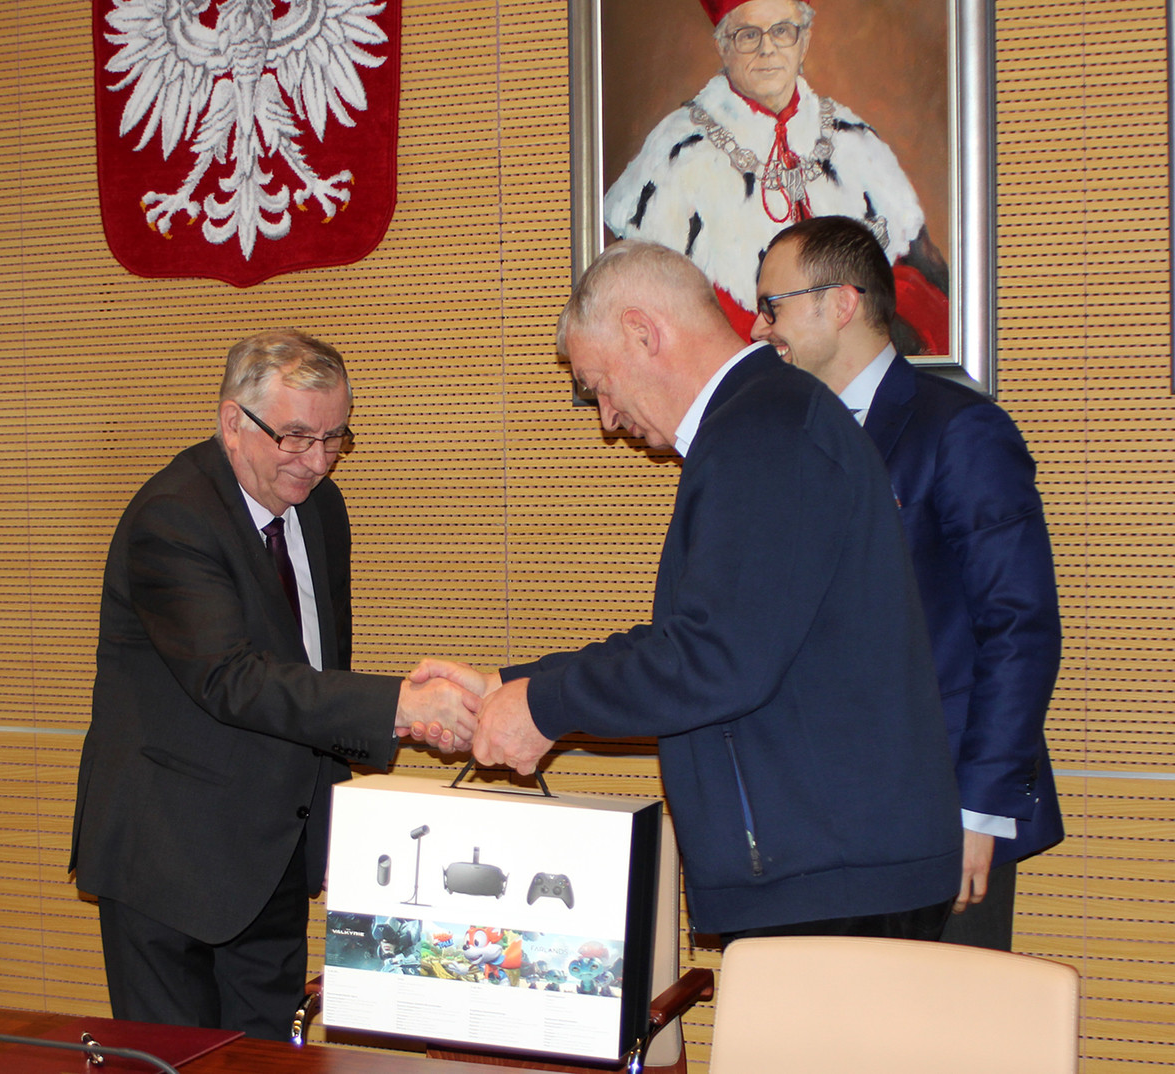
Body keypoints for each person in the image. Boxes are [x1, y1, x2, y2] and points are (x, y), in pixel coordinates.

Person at [419, 240, 963, 941]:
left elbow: (717, 660)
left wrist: (545, 708)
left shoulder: (764, 433)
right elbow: (691, 639)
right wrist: (512, 685)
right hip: (830, 867)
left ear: (643, 332)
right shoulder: (764, 422)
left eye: (599, 385)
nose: (607, 418)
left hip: (832, 881)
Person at [69, 329, 477, 1038]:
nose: (316, 461)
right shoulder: (173, 517)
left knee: (267, 1059)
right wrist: (399, 705)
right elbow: (233, 679)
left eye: (334, 438)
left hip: (274, 854)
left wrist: (348, 795)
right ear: (233, 422)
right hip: (170, 862)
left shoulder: (320, 508)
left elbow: (317, 668)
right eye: (296, 438)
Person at [751, 214, 1064, 950]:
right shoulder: (779, 437)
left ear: (841, 303)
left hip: (943, 810)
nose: (761, 328)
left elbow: (1018, 626)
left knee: (944, 1017)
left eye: (773, 306)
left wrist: (980, 811)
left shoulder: (959, 430)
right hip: (816, 820)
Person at [603, 0, 948, 351]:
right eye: (748, 35)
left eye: (782, 31)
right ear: (722, 47)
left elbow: (923, 274)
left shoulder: (852, 137)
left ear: (805, 41)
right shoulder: (679, 148)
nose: (767, 49)